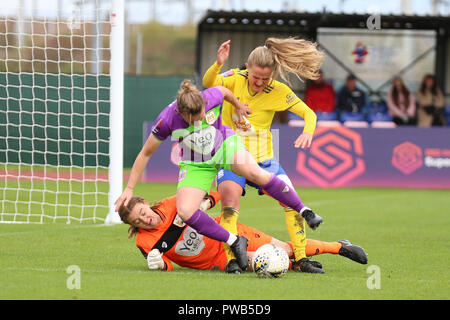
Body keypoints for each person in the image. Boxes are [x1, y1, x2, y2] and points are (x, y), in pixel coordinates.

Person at [115, 80, 322, 273]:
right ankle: (234, 240)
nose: (201, 120)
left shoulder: (210, 96)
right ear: (181, 112)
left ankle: (305, 210)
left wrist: (238, 105)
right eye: (194, 119)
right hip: (196, 163)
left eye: (203, 115)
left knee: (255, 172)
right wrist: (130, 188)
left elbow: (224, 92)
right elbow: (145, 153)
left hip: (224, 145)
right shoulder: (167, 119)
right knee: (186, 211)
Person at [202, 37, 325, 274]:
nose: (259, 82)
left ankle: (300, 259)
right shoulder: (233, 79)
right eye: (255, 77)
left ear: (272, 75)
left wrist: (308, 132)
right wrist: (218, 64)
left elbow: (309, 114)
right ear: (247, 67)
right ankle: (232, 260)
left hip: (265, 161)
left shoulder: (278, 91)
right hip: (231, 159)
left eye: (265, 79)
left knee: (292, 204)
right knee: (229, 205)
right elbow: (209, 83)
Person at [117, 191, 368, 273]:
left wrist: (203, 204)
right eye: (138, 220)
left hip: (231, 233)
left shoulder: (173, 203)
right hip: (217, 261)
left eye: (142, 211)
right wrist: (159, 265)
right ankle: (298, 265)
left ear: (145, 204)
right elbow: (169, 266)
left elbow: (215, 194)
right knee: (270, 264)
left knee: (287, 250)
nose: (145, 219)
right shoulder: (145, 242)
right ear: (134, 226)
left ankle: (339, 246)